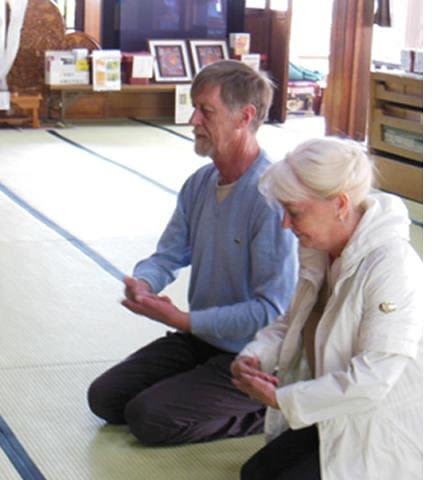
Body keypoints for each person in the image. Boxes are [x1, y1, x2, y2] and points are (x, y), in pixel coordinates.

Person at [87, 60, 298, 445]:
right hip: (203, 340)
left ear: (244, 117)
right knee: (105, 398)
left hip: (252, 355)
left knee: (148, 419)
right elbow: (168, 254)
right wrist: (144, 283)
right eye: (194, 107)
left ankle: (266, 407)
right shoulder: (200, 183)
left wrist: (184, 320)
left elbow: (271, 311)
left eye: (206, 110)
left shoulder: (270, 198)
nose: (193, 120)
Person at [232, 138, 422, 479]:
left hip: (382, 426)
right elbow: (291, 321)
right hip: (332, 410)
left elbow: (373, 381)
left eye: (294, 212)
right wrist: (255, 354)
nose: (285, 225)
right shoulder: (320, 249)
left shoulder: (393, 265)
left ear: (341, 204)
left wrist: (282, 400)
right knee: (255, 474)